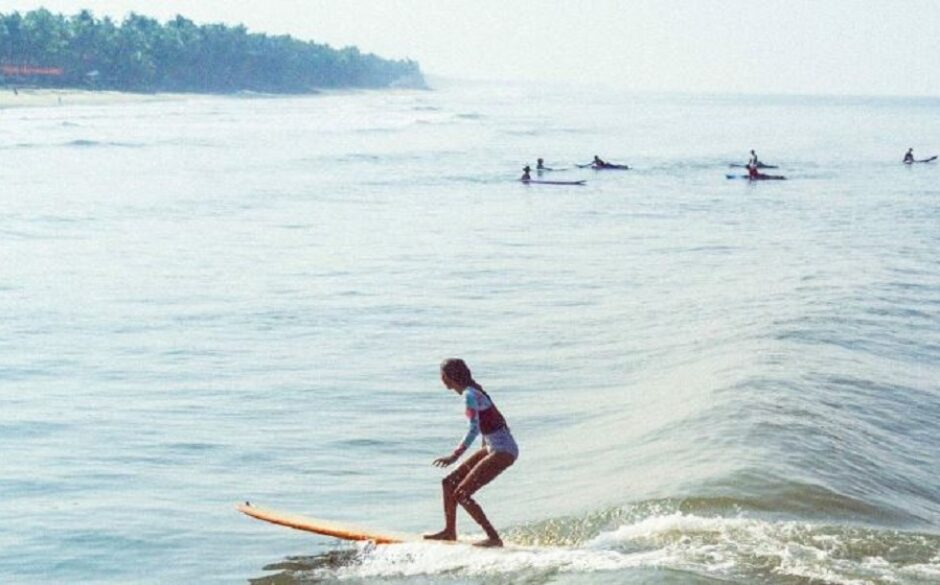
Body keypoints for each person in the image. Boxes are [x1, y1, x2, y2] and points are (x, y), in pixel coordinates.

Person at [424, 358, 518, 547]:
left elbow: (474, 428)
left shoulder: (470, 395)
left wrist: (455, 456)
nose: (440, 378)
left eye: (441, 375)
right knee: (448, 483)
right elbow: (493, 422)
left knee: (462, 494)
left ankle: (493, 538)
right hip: (493, 447)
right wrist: (485, 450)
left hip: (503, 450)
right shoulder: (473, 392)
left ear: (448, 377)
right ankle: (450, 532)